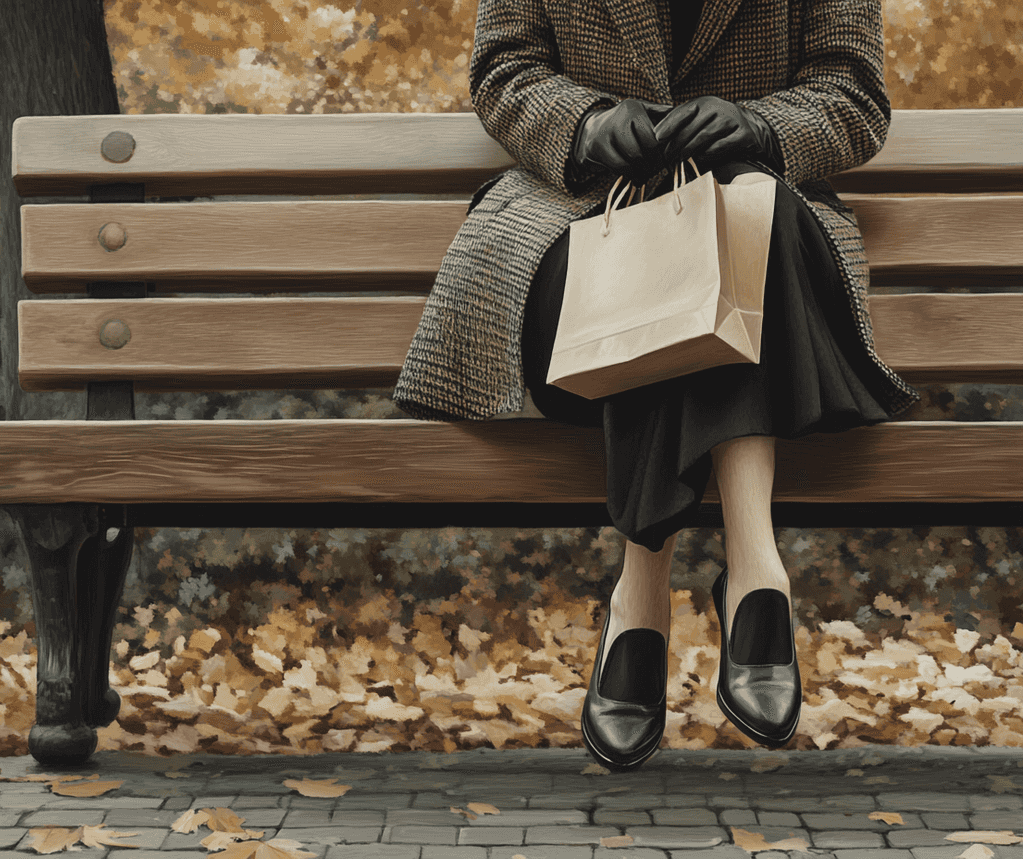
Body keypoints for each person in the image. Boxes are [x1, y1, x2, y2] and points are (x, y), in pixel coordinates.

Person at [391, 0, 920, 769]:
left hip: (770, 232)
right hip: (575, 225)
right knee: (693, 246)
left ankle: (641, 599)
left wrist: (762, 130)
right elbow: (506, 71)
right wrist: (588, 126)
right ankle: (755, 577)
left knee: (744, 213)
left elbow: (852, 92)